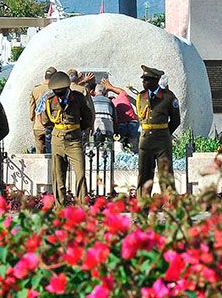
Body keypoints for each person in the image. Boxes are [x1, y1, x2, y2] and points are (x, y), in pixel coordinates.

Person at [40, 71, 94, 206]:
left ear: (67, 88)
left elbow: (87, 118)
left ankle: (82, 205)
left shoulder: (78, 98)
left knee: (80, 173)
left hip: (74, 139)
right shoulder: (50, 99)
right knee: (58, 175)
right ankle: (60, 206)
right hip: (57, 139)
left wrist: (77, 129)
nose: (59, 94)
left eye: (61, 92)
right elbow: (46, 120)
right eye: (56, 91)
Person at [135, 65, 181, 199]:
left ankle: (170, 210)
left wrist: (165, 133)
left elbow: (175, 120)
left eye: (147, 79)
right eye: (143, 79)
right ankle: (142, 210)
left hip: (162, 142)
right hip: (146, 142)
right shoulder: (141, 97)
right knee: (144, 176)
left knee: (165, 176)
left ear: (155, 80)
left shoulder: (168, 97)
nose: (144, 82)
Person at [102, 78, 140, 151]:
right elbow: (122, 91)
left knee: (120, 147)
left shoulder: (109, 103)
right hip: (133, 123)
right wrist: (110, 87)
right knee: (134, 146)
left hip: (121, 125)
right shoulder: (122, 97)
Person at [29, 67, 57, 153]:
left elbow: (31, 112)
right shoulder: (55, 90)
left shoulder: (36, 89)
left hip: (38, 126)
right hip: (52, 125)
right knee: (53, 154)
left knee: (39, 155)